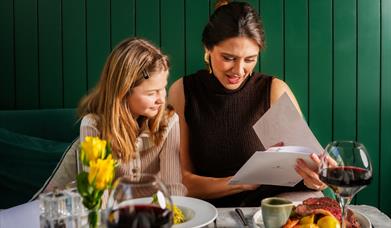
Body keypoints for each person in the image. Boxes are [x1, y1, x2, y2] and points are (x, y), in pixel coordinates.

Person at [168, 0, 325, 207]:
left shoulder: (273, 90)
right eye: (228, 58)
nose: (239, 70)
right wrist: (241, 183)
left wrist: (316, 178)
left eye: (250, 59)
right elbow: (182, 183)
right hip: (210, 213)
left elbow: (305, 168)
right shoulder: (183, 92)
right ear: (208, 49)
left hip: (273, 210)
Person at [78, 37, 187, 196]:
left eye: (163, 88)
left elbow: (173, 188)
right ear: (123, 92)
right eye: (151, 93)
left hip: (154, 214)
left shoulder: (169, 121)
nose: (161, 99)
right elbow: (96, 194)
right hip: (114, 216)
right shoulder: (93, 125)